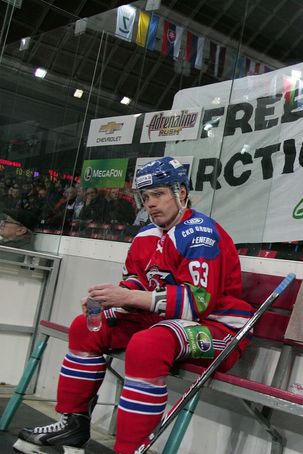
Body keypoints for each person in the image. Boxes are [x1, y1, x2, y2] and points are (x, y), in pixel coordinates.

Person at [15, 156, 254, 454]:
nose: (151, 203)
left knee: (147, 346)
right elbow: (137, 282)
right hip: (165, 322)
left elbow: (197, 304)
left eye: (159, 194)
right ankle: (73, 424)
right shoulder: (145, 235)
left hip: (219, 332)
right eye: (145, 197)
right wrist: (110, 297)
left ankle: (130, 449)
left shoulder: (201, 234)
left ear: (180, 192)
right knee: (86, 327)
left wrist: (128, 298)